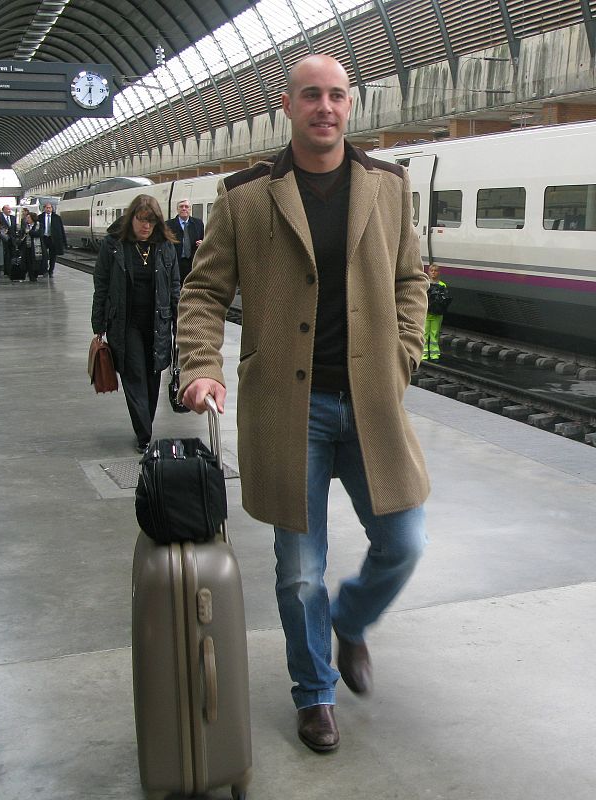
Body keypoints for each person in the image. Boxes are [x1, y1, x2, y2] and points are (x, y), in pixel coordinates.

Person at [177, 54, 430, 753]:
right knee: (298, 570)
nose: (325, 106)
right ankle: (315, 692)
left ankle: (350, 621)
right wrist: (201, 366)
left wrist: (404, 353)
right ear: (286, 106)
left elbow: (412, 278)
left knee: (405, 542)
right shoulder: (246, 196)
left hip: (372, 401)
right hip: (291, 413)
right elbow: (202, 293)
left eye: (337, 96)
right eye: (311, 95)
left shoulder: (387, 186)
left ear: (352, 106)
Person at [91, 194, 181, 452]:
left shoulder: (165, 246)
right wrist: (99, 323)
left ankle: (145, 425)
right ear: (131, 219)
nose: (146, 227)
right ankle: (143, 434)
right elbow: (102, 284)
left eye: (151, 222)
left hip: (157, 322)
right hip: (125, 322)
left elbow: (175, 285)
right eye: (141, 221)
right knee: (134, 375)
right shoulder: (113, 245)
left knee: (153, 377)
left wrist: (178, 321)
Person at [167, 199, 204, 285]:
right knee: (177, 286)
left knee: (192, 286)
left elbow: (204, 239)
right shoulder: (168, 225)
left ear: (190, 209)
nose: (184, 209)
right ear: (177, 209)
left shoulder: (198, 223)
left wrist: (202, 243)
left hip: (192, 262)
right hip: (176, 262)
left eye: (186, 207)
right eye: (181, 207)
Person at [422, 264, 452, 362]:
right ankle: (424, 354)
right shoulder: (425, 284)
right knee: (425, 334)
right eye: (432, 271)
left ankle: (434, 354)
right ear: (428, 272)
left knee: (434, 334)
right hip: (426, 313)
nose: (434, 273)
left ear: (438, 272)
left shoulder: (442, 285)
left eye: (435, 271)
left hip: (436, 314)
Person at [38, 202, 67, 277]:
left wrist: (64, 241)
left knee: (53, 256)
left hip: (53, 239)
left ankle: (51, 271)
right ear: (44, 208)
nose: (48, 209)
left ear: (52, 208)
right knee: (44, 255)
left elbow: (61, 229)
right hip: (43, 238)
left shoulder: (57, 217)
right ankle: (44, 270)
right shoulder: (40, 217)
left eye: (49, 208)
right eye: (47, 208)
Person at [19, 212, 44, 282]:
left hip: (35, 247)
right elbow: (22, 234)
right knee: (27, 262)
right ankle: (28, 275)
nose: (27, 219)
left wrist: (30, 232)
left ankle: (34, 276)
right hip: (27, 247)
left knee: (35, 262)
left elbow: (40, 234)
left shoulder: (38, 225)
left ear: (33, 218)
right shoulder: (25, 225)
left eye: (28, 218)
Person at [0, 204, 18, 276]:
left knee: (12, 255)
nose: (9, 210)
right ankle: (6, 270)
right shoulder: (0, 218)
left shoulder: (13, 218)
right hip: (4, 239)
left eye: (10, 209)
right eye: (7, 209)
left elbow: (14, 228)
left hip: (12, 239)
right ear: (3, 210)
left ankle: (10, 270)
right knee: (5, 255)